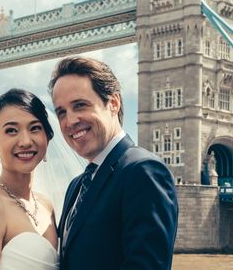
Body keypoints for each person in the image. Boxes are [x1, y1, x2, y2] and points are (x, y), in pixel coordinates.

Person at [49, 56, 178, 270]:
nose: (70, 121)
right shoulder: (76, 185)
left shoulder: (143, 171)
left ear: (114, 103)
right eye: (61, 112)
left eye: (80, 105)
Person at [0, 88, 59, 270]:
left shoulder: (46, 205)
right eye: (12, 130)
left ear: (47, 137)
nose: (25, 141)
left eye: (35, 128)